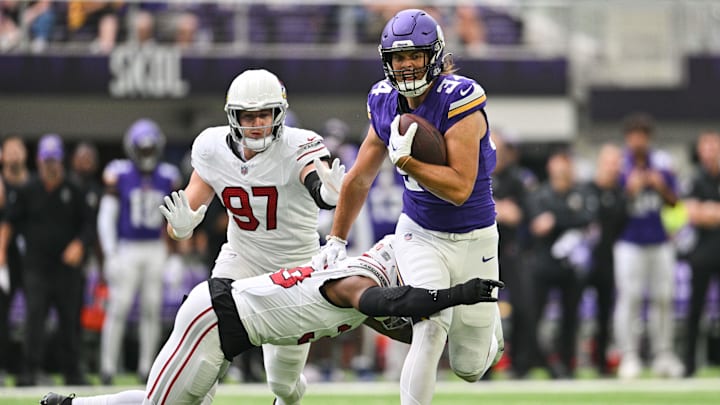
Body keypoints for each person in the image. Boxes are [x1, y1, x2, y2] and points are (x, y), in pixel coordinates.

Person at [41, 235, 505, 405]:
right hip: (215, 323)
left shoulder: (360, 286)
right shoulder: (355, 282)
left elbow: (394, 315)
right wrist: (458, 294)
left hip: (221, 319)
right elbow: (395, 304)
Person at [313, 9, 503, 403]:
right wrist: (335, 239)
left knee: (470, 368)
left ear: (433, 54)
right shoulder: (383, 100)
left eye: (415, 54)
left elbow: (461, 189)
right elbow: (360, 177)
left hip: (475, 236)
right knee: (430, 325)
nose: (407, 64)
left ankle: (489, 333)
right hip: (419, 234)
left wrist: (409, 163)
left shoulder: (460, 98)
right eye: (399, 57)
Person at [159, 68, 345, 405]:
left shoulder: (299, 144)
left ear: (279, 115)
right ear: (234, 117)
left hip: (296, 269)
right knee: (206, 343)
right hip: (241, 258)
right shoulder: (212, 147)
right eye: (249, 115)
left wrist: (326, 194)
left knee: (283, 385)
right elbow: (187, 208)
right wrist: (181, 227)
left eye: (265, 114)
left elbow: (313, 180)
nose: (257, 123)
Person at [0, 134, 94, 386]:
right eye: (46, 160)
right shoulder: (28, 190)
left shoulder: (74, 189)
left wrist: (79, 244)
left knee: (69, 320)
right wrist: (1, 253)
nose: (50, 166)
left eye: (54, 160)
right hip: (36, 266)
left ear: (61, 161)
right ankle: (29, 371)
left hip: (67, 268)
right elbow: (9, 223)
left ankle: (72, 372)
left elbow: (88, 225)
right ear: (39, 162)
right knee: (35, 318)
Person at [96, 118, 182, 385]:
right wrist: (110, 253)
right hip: (128, 247)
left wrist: (175, 254)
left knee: (151, 310)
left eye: (149, 149)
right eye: (142, 150)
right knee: (118, 308)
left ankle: (147, 368)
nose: (146, 155)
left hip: (155, 248)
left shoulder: (167, 176)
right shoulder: (119, 173)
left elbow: (176, 217)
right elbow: (106, 217)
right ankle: (107, 367)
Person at [614, 112, 684, 379]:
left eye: (643, 136)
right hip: (629, 241)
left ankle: (663, 354)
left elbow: (676, 202)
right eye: (634, 136)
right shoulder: (621, 166)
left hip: (659, 239)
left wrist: (661, 186)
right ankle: (628, 355)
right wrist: (629, 189)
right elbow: (612, 204)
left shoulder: (663, 165)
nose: (638, 141)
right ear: (628, 139)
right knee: (629, 299)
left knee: (664, 297)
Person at [526, 149, 595, 379]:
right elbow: (536, 226)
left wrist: (555, 219)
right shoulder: (539, 194)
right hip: (544, 264)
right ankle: (535, 362)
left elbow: (586, 219)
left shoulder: (580, 193)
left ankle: (568, 364)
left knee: (571, 317)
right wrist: (566, 218)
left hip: (571, 266)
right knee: (534, 317)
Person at [489, 131, 536, 378]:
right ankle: (482, 366)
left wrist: (491, 208)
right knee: (479, 308)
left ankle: (520, 365)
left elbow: (521, 215)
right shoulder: (475, 175)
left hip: (510, 250)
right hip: (482, 251)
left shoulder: (517, 179)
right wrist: (498, 208)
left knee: (523, 306)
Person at [582, 143, 627, 376]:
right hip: (583, 259)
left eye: (617, 162)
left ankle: (601, 361)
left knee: (605, 312)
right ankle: (568, 359)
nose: (613, 167)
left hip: (608, 259)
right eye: (610, 161)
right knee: (571, 308)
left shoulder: (621, 194)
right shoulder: (587, 189)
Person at [682, 130, 720, 377]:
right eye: (705, 148)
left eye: (713, 147)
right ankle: (689, 363)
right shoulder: (695, 180)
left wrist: (709, 211)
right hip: (702, 253)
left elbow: (702, 212)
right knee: (695, 309)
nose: (709, 153)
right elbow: (690, 212)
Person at [0, 135, 31, 385]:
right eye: (9, 151)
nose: (13, 156)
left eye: (17, 151)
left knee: (34, 315)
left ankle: (26, 370)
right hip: (4, 257)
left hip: (30, 257)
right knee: (2, 313)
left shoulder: (32, 184)